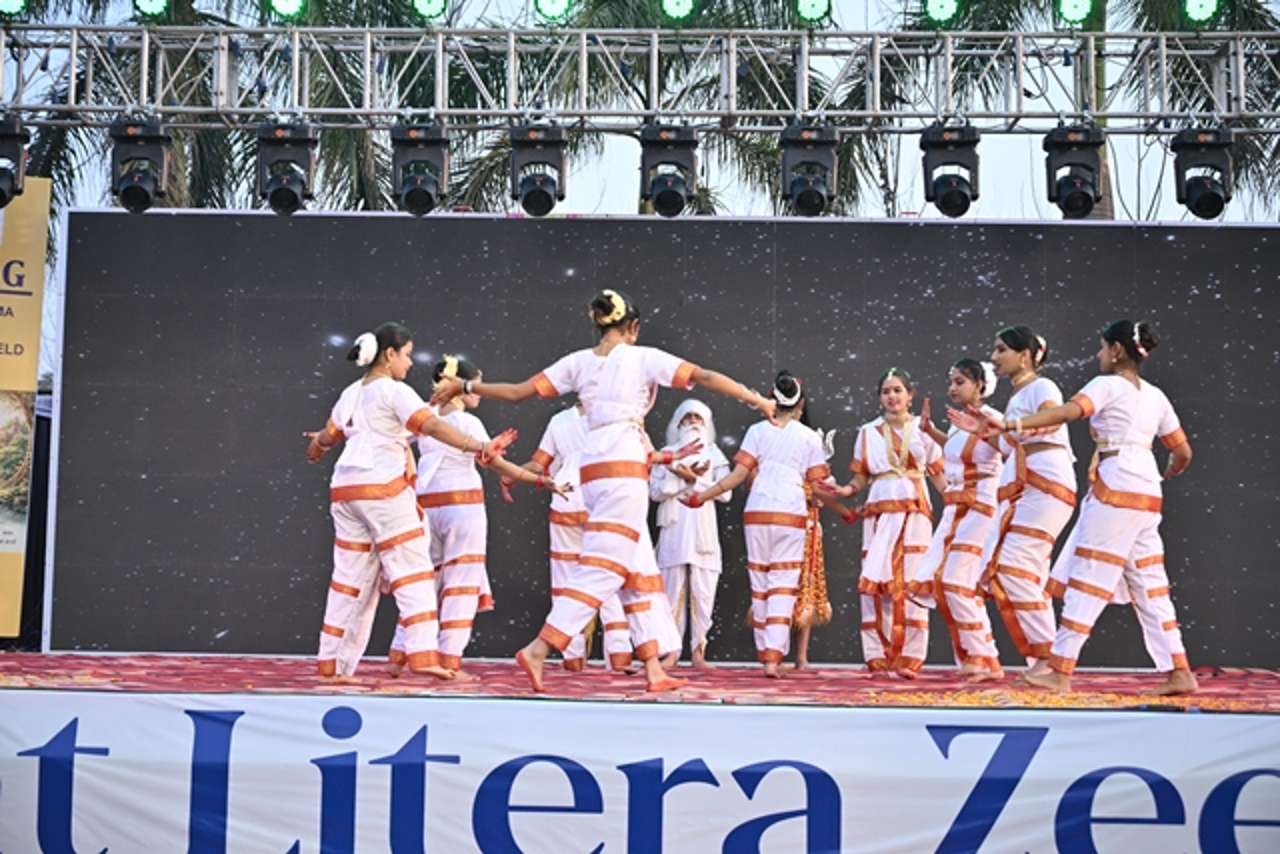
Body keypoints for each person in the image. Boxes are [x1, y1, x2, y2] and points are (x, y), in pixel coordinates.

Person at [432, 288, 776, 693]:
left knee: (638, 570)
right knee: (603, 568)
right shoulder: (642, 357)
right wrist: (756, 399)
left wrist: (466, 386)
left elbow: (518, 392)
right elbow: (703, 376)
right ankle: (540, 649)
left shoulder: (578, 362)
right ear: (633, 327)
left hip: (595, 471)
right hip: (623, 468)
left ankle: (653, 668)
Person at [967, 321, 1196, 695]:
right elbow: (1182, 451)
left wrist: (1010, 424)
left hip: (1116, 488)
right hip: (1147, 490)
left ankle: (1060, 670)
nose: (1098, 354)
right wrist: (1167, 471)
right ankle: (1179, 670)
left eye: (1103, 348)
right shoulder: (1156, 396)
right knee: (1150, 585)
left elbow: (1066, 413)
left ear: (1117, 351)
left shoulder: (1106, 385)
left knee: (1088, 579)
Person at [303, 323, 517, 680]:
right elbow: (431, 427)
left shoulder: (351, 393)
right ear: (389, 355)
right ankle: (423, 656)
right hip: (383, 489)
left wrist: (316, 447)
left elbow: (328, 435)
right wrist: (480, 446)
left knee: (348, 580)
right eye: (406, 355)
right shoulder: (395, 391)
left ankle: (332, 663)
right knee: (414, 572)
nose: (410, 363)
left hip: (345, 491)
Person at [385, 356, 568, 679]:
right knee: (461, 583)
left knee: (422, 582)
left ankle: (400, 654)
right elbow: (494, 463)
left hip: (426, 506)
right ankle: (449, 662)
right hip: (463, 507)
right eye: (475, 387)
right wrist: (538, 480)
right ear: (459, 387)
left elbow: (393, 439)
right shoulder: (468, 424)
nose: (479, 394)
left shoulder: (424, 419)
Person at [683, 372, 853, 678]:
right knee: (782, 586)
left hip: (758, 512)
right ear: (800, 404)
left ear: (773, 398)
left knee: (760, 584)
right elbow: (818, 486)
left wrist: (700, 497)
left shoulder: (757, 431)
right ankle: (773, 658)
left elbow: (737, 476)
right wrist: (844, 509)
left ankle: (767, 656)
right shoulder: (809, 437)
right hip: (790, 513)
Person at [959, 326, 1077, 679]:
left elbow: (1051, 421)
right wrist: (984, 432)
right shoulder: (1018, 396)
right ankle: (1047, 660)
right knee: (1024, 571)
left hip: (1045, 481)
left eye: (1001, 350)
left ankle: (1050, 657)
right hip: (1028, 483)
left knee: (1012, 566)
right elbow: (1013, 447)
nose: (993, 357)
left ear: (1024, 356)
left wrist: (1008, 425)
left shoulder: (1043, 386)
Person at [829, 368, 946, 678]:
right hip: (880, 510)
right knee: (877, 581)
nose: (892, 396)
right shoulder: (868, 432)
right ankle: (878, 657)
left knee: (914, 580)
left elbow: (938, 475)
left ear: (910, 395)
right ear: (879, 397)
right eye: (886, 391)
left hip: (915, 509)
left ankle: (910, 658)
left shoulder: (923, 429)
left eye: (897, 390)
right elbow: (860, 477)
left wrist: (960, 502)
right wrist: (845, 490)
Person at [506, 401, 635, 672]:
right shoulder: (614, 414)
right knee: (607, 574)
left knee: (566, 580)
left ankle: (573, 655)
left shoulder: (560, 420)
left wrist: (511, 473)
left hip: (566, 499)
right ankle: (619, 653)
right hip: (599, 497)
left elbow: (539, 464)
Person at [910, 359, 1005, 682]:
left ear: (980, 385)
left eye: (960, 382)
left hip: (980, 506)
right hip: (957, 507)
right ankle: (979, 657)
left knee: (956, 582)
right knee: (946, 583)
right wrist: (931, 432)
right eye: (950, 382)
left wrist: (983, 431)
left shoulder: (992, 418)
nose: (952, 388)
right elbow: (958, 451)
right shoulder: (958, 422)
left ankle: (984, 658)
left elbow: (1009, 449)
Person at [650, 399, 731, 669]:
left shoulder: (715, 454)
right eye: (688, 418)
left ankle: (698, 651)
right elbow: (654, 492)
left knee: (704, 591)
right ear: (679, 422)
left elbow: (726, 494)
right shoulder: (666, 454)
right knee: (670, 589)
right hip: (674, 528)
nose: (693, 423)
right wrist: (679, 479)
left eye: (698, 418)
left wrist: (696, 481)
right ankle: (671, 651)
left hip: (703, 528)